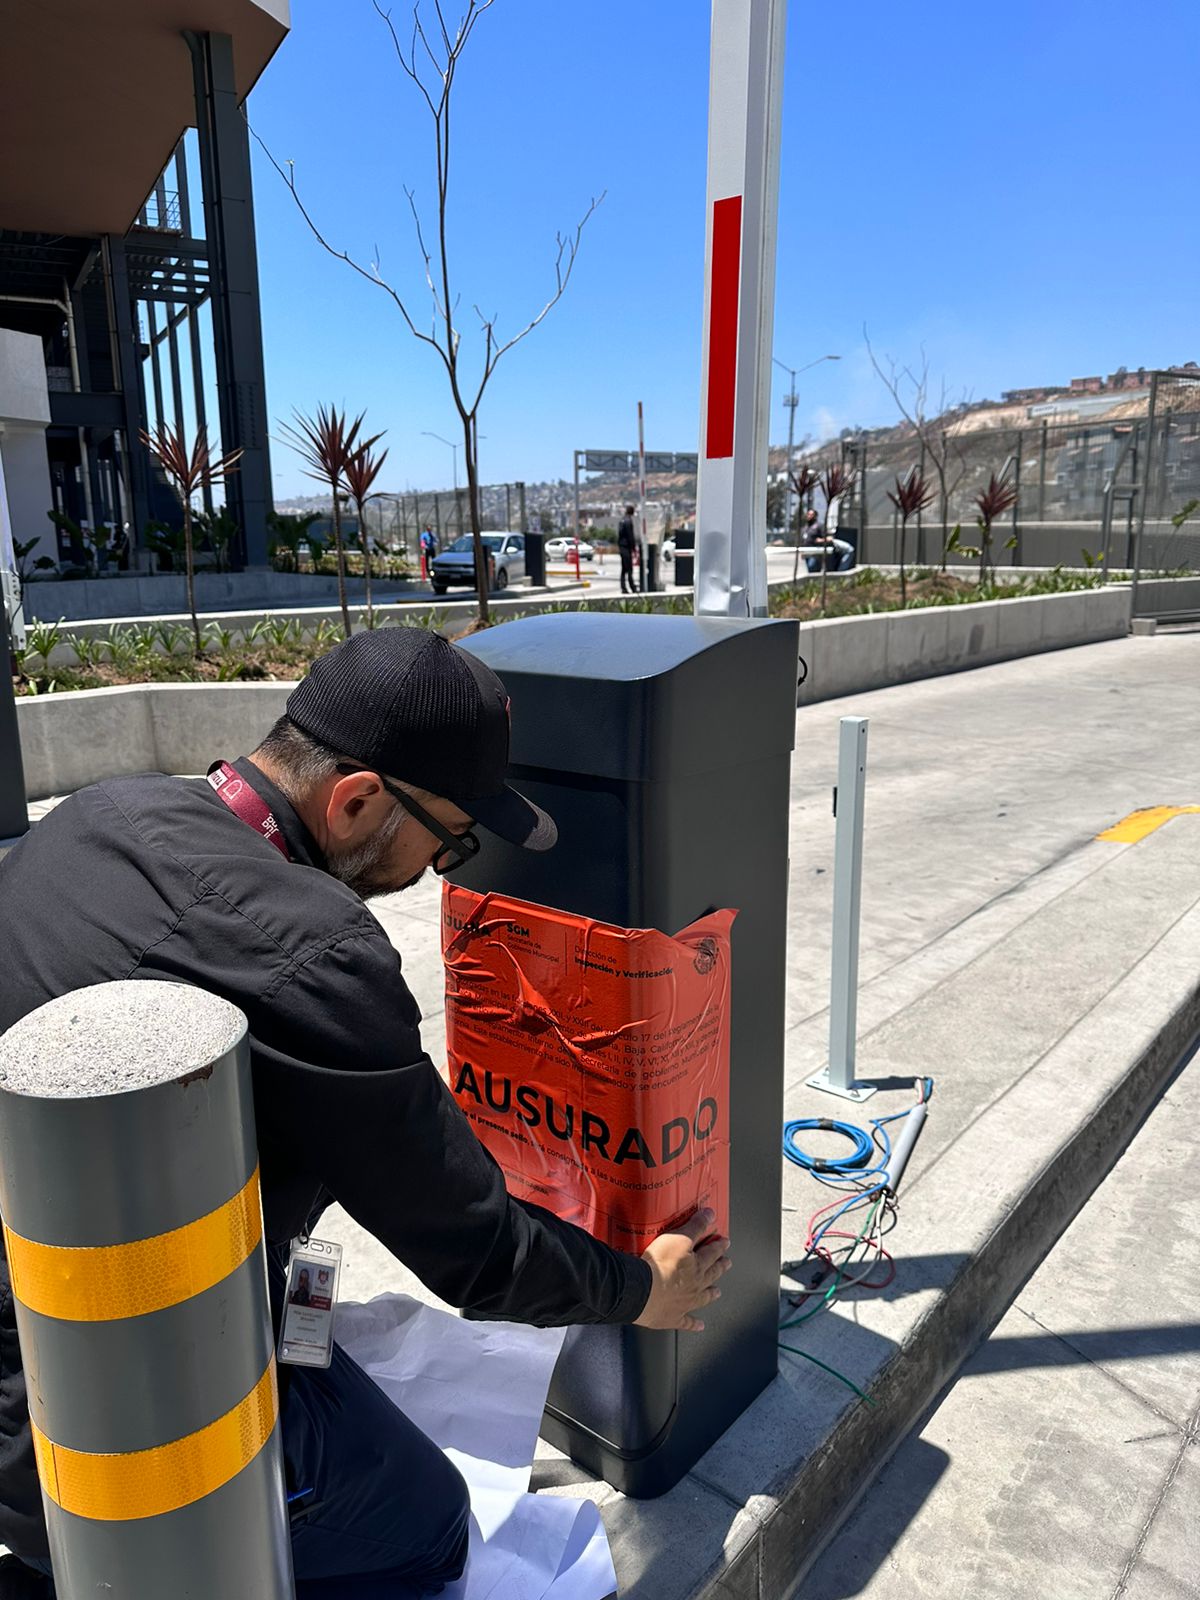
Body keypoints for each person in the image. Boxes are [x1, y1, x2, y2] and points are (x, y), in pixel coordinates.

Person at [0, 628, 730, 1600]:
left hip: (45, 1338)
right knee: (425, 1530)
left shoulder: (97, 814)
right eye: (452, 838)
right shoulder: (313, 956)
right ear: (356, 799)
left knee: (318, 1335)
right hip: (90, 1438)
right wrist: (647, 1290)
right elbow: (481, 1255)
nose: (444, 870)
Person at [800, 507, 854, 573]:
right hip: (807, 552)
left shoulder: (819, 526)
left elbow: (828, 538)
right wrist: (802, 552)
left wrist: (820, 540)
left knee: (812, 567)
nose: (809, 516)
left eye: (811, 515)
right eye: (808, 514)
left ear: (815, 516)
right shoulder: (805, 528)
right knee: (809, 569)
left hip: (815, 553)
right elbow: (803, 541)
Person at [617, 504, 638, 595]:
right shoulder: (628, 521)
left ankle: (623, 587)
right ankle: (632, 587)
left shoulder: (622, 520)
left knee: (624, 569)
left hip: (621, 546)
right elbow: (630, 536)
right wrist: (634, 548)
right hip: (626, 547)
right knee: (629, 569)